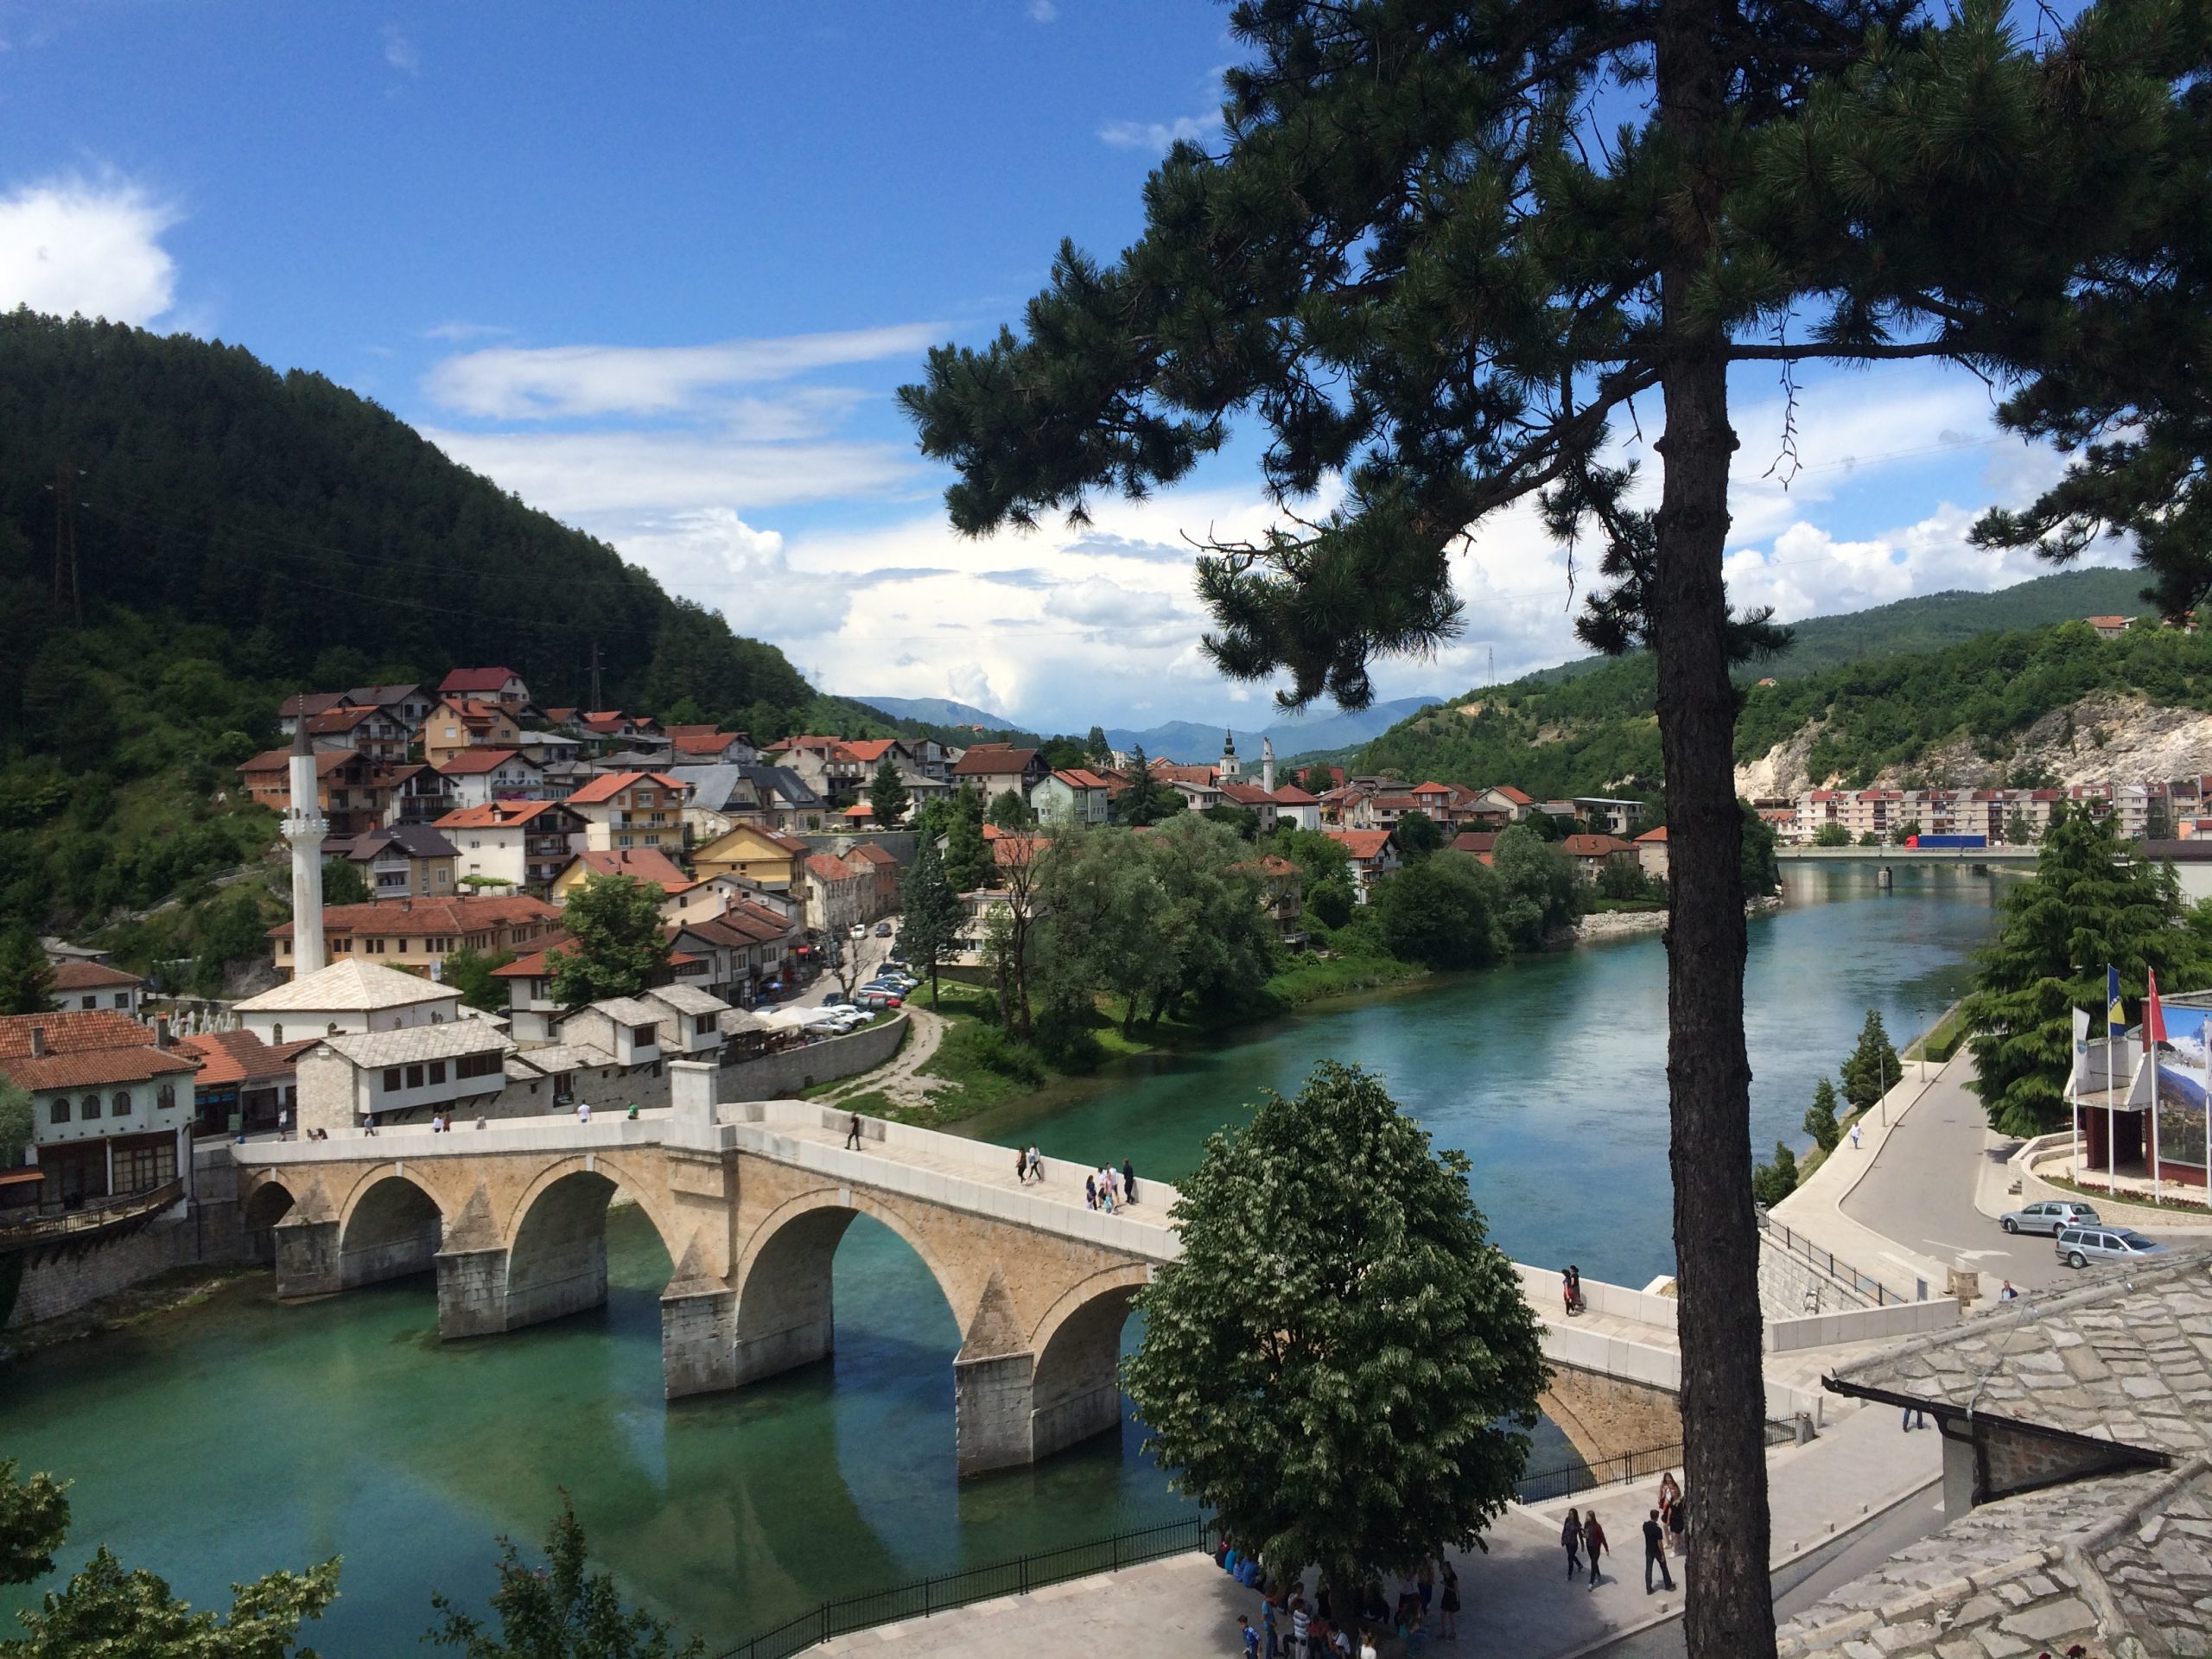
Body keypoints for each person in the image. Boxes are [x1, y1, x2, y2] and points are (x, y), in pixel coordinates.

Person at [1642, 1508, 1675, 1593]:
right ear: (1657, 1518)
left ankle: (1649, 1588)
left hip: (1648, 1550)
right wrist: (1663, 1554)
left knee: (1649, 1569)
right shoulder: (1657, 1529)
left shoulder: (1645, 1526)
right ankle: (1668, 1585)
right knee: (1664, 1567)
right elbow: (1659, 1543)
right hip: (1657, 1551)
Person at [1584, 1511, 1609, 1589]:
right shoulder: (1586, 1524)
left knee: (1593, 1563)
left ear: (1592, 1517)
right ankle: (1598, 1574)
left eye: (1588, 1516)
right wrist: (1584, 1535)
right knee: (1594, 1562)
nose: (1586, 1517)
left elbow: (1602, 1537)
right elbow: (1585, 1533)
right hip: (1589, 1546)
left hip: (1596, 1548)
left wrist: (1606, 1549)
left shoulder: (1597, 1526)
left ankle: (1591, 1583)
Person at [1437, 1561, 1459, 1640]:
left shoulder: (1453, 1576)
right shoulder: (1445, 1575)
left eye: (1445, 1567)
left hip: (1451, 1597)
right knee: (1442, 1614)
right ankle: (1443, 1631)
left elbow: (1456, 1590)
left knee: (1451, 1615)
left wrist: (1446, 1586)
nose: (1443, 1569)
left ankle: (1453, 1632)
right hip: (1446, 1595)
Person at [1561, 1508, 1584, 1579]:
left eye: (1571, 1514)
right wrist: (1562, 1539)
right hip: (1567, 1542)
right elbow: (1564, 1529)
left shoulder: (1577, 1524)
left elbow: (1580, 1536)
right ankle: (1579, 1565)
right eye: (1569, 1513)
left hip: (1573, 1543)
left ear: (1574, 1515)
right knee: (1571, 1556)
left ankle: (1569, 1574)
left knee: (1570, 1558)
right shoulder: (1567, 1520)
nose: (1569, 1515)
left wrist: (1583, 1545)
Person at [1667, 1492, 1688, 1556]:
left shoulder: (1680, 1501)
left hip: (1679, 1519)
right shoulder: (1672, 1500)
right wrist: (1668, 1519)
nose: (1672, 1492)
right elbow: (1670, 1509)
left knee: (1676, 1535)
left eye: (1673, 1490)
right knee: (1673, 1534)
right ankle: (1680, 1544)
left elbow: (1683, 1511)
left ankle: (1675, 1551)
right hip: (1673, 1519)